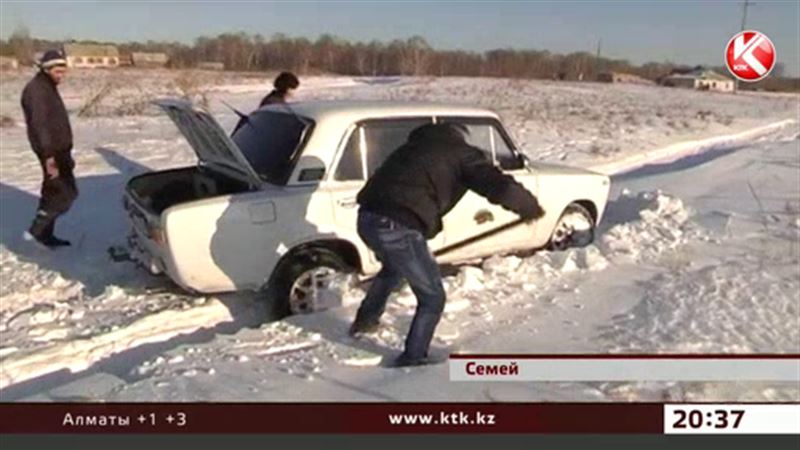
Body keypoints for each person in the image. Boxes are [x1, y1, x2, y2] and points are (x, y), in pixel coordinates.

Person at [352, 123, 545, 367]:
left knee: (393, 269)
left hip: (367, 218)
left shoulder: (410, 149)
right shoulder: (460, 153)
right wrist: (529, 207)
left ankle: (365, 321)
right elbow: (496, 184)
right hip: (397, 225)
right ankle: (413, 357)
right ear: (458, 137)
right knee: (432, 297)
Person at [21, 49, 77, 248]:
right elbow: (39, 126)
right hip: (51, 151)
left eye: (63, 71)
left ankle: (45, 235)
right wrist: (49, 157)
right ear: (46, 68)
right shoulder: (36, 90)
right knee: (65, 193)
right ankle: (37, 230)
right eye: (57, 70)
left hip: (59, 149)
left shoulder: (47, 87)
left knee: (54, 191)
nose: (61, 75)